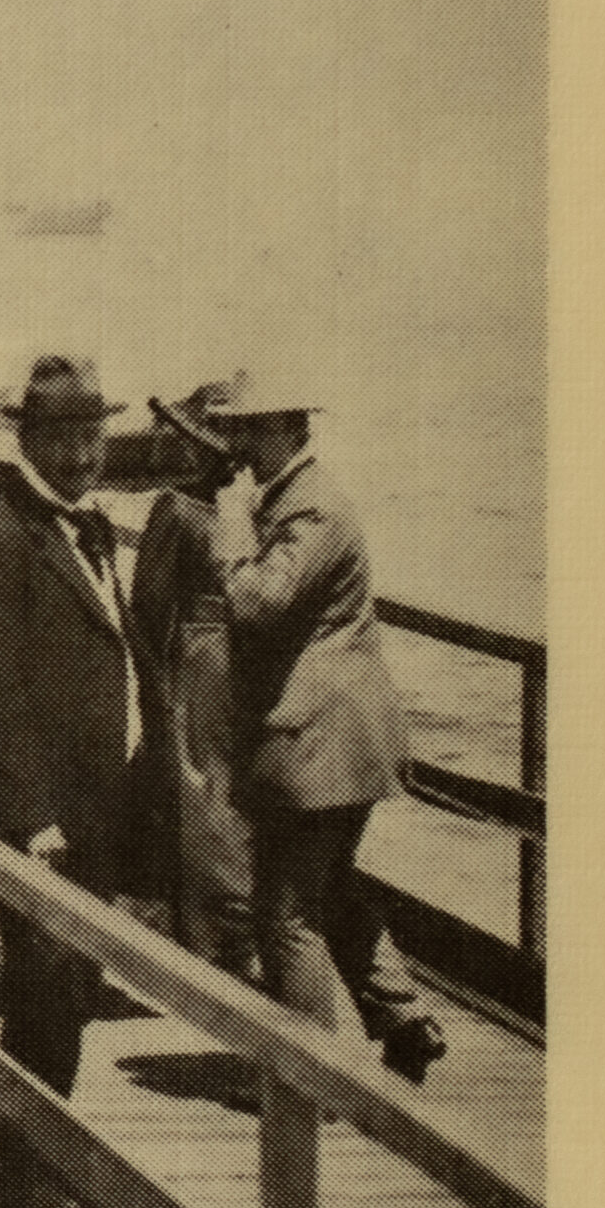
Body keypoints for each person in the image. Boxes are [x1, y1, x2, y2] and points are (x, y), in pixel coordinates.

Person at [0, 353, 146, 1208]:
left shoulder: (86, 530)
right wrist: (29, 820)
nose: (83, 452)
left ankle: (46, 1169)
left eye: (92, 434)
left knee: (69, 998)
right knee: (43, 1001)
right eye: (64, 436)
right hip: (43, 825)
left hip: (93, 810)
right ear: (29, 441)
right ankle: (27, 1196)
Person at [198, 372, 446, 1083]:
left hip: (319, 745)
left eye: (251, 428)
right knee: (329, 888)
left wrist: (231, 532)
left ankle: (306, 1083)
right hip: (337, 741)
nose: (237, 443)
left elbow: (257, 603)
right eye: (235, 427)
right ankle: (402, 1019)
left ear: (291, 429)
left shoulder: (311, 511)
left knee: (286, 915)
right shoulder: (298, 499)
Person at [135, 383, 257, 975]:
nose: (177, 450)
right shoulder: (238, 513)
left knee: (199, 792)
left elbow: (148, 607)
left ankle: (213, 936)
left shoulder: (177, 511)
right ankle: (227, 931)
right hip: (236, 662)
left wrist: (154, 690)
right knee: (221, 794)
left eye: (187, 443)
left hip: (198, 663)